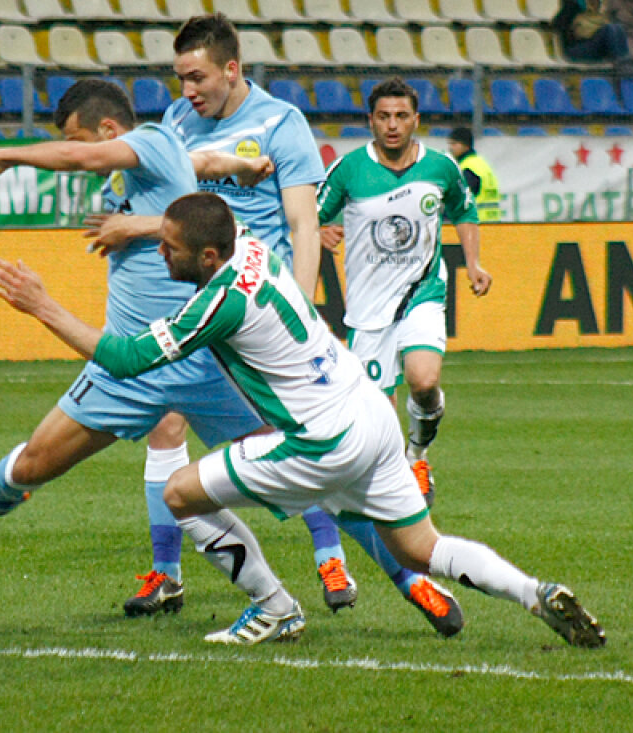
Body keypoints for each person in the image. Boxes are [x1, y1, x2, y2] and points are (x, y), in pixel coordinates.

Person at [0, 191, 606, 649]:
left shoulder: (220, 302)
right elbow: (227, 216)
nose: (160, 252)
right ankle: (534, 593)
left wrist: (41, 305)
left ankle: (274, 607)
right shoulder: (249, 241)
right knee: (422, 547)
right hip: (370, 413)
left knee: (178, 494)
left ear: (207, 255)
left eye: (168, 247)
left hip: (321, 440)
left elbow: (125, 359)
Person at [85, 13, 465, 637]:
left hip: (258, 318)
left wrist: (306, 308)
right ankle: (166, 573)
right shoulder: (177, 123)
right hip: (198, 305)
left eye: (196, 77)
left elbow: (303, 223)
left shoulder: (282, 123)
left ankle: (391, 573)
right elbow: (177, 215)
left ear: (230, 69)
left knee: (311, 452)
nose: (186, 90)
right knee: (167, 426)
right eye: (180, 79)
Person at [0, 79, 284, 620]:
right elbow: (201, 163)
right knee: (33, 464)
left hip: (194, 354)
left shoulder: (148, 140)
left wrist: (9, 156)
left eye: (81, 138)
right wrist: (242, 167)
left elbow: (79, 157)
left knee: (299, 455)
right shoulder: (150, 164)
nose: (82, 155)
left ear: (108, 130)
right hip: (123, 364)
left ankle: (365, 566)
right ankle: (1, 496)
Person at [318, 78, 492, 535]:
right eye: (383, 117)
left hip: (422, 295)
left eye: (400, 116)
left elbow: (464, 210)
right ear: (370, 121)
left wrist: (473, 263)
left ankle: (418, 455)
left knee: (424, 380)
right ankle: (395, 487)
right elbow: (308, 217)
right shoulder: (349, 170)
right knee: (378, 414)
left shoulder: (441, 167)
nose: (392, 125)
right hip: (367, 310)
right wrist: (318, 231)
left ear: (416, 120)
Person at [446, 127, 501, 223]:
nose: (450, 148)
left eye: (454, 144)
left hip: (474, 223)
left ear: (466, 145)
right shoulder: (481, 163)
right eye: (450, 144)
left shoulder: (467, 168)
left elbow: (459, 200)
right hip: (493, 223)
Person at [553, 0, 632, 63]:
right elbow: (557, 25)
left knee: (617, 28)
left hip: (598, 46)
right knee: (610, 29)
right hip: (578, 48)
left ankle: (623, 62)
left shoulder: (604, 11)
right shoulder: (573, 6)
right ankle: (622, 63)